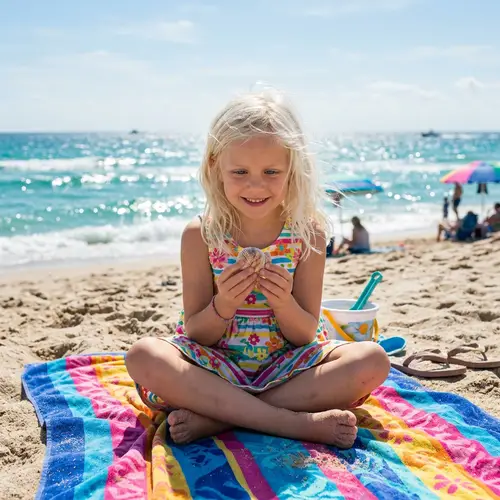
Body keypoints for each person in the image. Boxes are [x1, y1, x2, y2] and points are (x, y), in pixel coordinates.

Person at [125, 90, 390, 449]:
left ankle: (220, 418)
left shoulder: (306, 233)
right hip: (214, 367)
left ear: (291, 169)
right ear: (216, 165)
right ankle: (291, 423)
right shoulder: (201, 235)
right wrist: (225, 305)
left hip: (288, 369)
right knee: (143, 355)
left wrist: (282, 303)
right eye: (240, 171)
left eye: (271, 171)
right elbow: (197, 334)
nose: (255, 185)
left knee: (372, 359)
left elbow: (305, 334)